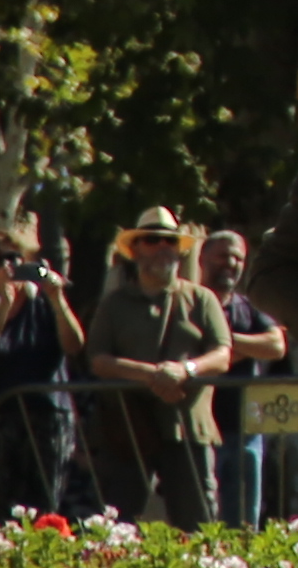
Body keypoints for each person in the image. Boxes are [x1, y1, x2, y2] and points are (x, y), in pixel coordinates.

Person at [83, 209, 235, 528]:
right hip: (128, 430)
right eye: (153, 240)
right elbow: (97, 358)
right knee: (119, 525)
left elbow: (222, 354)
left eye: (170, 240)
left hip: (189, 428)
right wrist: (151, 375)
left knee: (199, 527)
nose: (163, 246)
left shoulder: (202, 299)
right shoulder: (114, 303)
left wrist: (186, 370)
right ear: (136, 249)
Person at [0, 232, 78, 515]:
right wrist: (4, 309)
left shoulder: (44, 306)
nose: (9, 266)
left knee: (44, 512)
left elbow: (74, 345)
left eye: (14, 257)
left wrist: (58, 299)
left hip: (46, 421)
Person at [199, 228, 289, 525]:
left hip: (244, 429)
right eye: (223, 255)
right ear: (203, 258)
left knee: (244, 523)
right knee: (201, 519)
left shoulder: (248, 308)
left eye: (238, 257)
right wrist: (240, 350)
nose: (231, 263)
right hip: (198, 428)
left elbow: (275, 345)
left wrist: (221, 344)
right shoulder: (188, 302)